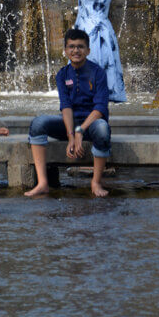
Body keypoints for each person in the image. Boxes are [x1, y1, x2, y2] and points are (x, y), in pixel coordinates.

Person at [25, 29, 112, 197]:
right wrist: (71, 135)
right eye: (71, 47)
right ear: (65, 50)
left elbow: (100, 109)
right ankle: (43, 183)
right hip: (70, 124)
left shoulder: (98, 73)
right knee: (38, 123)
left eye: (80, 46)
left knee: (102, 129)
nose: (76, 50)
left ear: (88, 50)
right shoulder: (62, 74)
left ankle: (95, 182)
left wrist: (80, 131)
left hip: (92, 124)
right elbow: (66, 106)